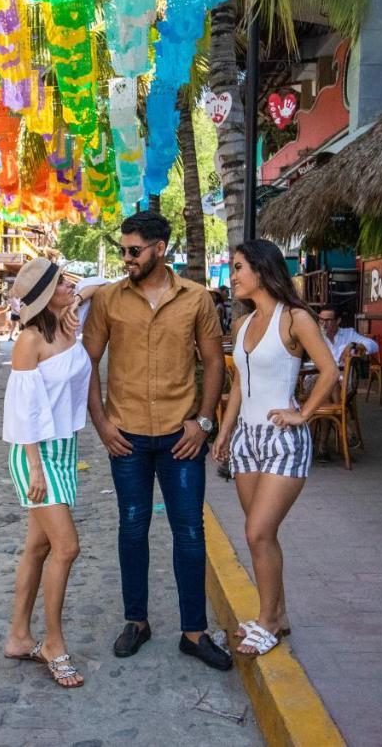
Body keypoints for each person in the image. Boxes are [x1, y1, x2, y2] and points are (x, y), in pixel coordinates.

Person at [82, 211, 231, 671]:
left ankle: (194, 632)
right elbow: (86, 363)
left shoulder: (197, 299)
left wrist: (203, 423)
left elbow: (214, 363)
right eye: (123, 250)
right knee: (132, 528)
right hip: (125, 435)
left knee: (189, 530)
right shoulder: (108, 300)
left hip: (180, 437)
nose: (126, 258)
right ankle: (137, 621)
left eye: (134, 251)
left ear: (159, 249)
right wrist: (103, 424)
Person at [213, 240, 338, 656]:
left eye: (238, 268)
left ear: (262, 271)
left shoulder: (296, 318)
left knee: (258, 531)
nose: (233, 276)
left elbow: (329, 371)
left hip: (283, 440)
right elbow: (238, 387)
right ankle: (278, 615)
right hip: (247, 438)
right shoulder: (242, 325)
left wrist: (303, 414)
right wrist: (224, 433)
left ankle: (267, 622)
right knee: (260, 536)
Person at [2, 258, 91, 688]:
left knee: (37, 549)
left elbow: (100, 282)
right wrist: (35, 468)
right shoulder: (30, 341)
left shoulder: (69, 322)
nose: (69, 286)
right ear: (42, 297)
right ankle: (54, 642)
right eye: (60, 284)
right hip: (35, 456)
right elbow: (24, 413)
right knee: (67, 547)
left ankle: (19, 637)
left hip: (64, 451)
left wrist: (75, 301)